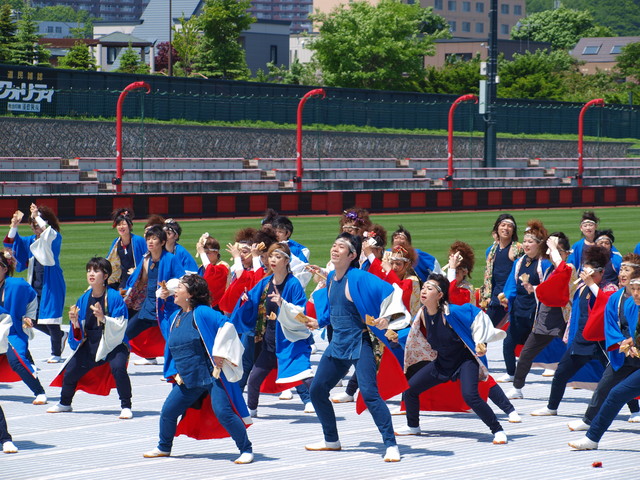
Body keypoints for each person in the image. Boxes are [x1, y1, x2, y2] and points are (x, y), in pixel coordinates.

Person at [304, 233, 410, 462]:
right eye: (334, 245)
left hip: (359, 343)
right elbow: (335, 310)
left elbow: (393, 292)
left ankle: (391, 444)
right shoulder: (332, 278)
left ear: (352, 255)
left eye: (341, 247)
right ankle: (331, 440)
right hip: (336, 345)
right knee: (317, 390)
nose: (335, 249)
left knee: (371, 394)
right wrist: (318, 322)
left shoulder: (360, 278)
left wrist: (386, 318)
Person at [143, 274, 254, 464]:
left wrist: (220, 352)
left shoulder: (202, 312)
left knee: (223, 413)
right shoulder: (176, 316)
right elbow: (164, 325)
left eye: (180, 287)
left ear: (191, 293)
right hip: (188, 379)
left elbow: (226, 325)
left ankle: (246, 449)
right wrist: (161, 301)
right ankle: (164, 447)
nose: (175, 290)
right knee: (168, 411)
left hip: (213, 377)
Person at [396, 274, 510, 444]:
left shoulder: (451, 312)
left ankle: (498, 430)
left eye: (430, 288)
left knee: (470, 396)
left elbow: (477, 315)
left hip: (464, 362)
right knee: (410, 389)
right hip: (442, 363)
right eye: (424, 287)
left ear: (440, 295)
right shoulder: (422, 313)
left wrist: (480, 341)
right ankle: (413, 426)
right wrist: (394, 335)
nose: (424, 291)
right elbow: (411, 331)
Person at [531, 246, 617, 416]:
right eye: (588, 274)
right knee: (561, 373)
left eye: (594, 274)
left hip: (602, 341)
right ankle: (551, 407)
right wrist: (554, 250)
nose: (590, 278)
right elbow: (563, 274)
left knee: (616, 375)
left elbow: (606, 304)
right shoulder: (581, 288)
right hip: (581, 339)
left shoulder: (609, 288)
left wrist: (592, 284)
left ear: (601, 273)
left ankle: (635, 411)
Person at [232, 242, 314, 416]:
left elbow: (301, 312)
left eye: (278, 257)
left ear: (286, 260)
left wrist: (283, 304)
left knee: (301, 375)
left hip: (288, 340)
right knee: (254, 379)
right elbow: (251, 301)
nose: (273, 260)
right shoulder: (265, 283)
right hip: (269, 340)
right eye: (271, 256)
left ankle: (312, 401)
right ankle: (251, 409)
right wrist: (245, 299)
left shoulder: (293, 284)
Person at [47, 258, 132, 418]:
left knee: (118, 367)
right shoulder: (84, 298)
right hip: (91, 342)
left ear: (105, 275)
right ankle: (65, 403)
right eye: (89, 271)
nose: (91, 274)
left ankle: (126, 405)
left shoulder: (114, 297)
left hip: (113, 343)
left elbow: (121, 324)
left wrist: (104, 317)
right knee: (70, 371)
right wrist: (74, 323)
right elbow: (79, 332)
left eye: (96, 271)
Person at [566, 255, 640, 431]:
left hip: (636, 346)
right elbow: (610, 324)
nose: (621, 273)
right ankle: (588, 420)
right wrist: (622, 342)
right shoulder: (616, 298)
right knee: (605, 386)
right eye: (621, 269)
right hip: (623, 352)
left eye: (626, 270)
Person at [505, 233, 576, 400]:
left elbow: (562, 277)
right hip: (545, 316)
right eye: (552, 251)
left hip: (565, 318)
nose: (553, 254)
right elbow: (550, 289)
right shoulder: (549, 268)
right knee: (526, 353)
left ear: (566, 253)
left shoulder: (569, 267)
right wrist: (534, 289)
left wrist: (552, 248)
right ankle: (517, 387)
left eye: (558, 251)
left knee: (586, 355)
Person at [4, 204, 67, 363]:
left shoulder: (53, 236)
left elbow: (47, 231)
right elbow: (10, 244)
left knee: (51, 320)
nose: (35, 229)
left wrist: (36, 215)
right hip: (35, 283)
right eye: (33, 226)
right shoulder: (30, 240)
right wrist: (14, 226)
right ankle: (60, 336)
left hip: (52, 284)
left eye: (37, 225)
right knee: (32, 319)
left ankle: (56, 353)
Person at [124, 226, 185, 365]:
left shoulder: (170, 259)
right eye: (148, 239)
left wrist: (169, 291)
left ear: (162, 242)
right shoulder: (146, 259)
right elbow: (136, 281)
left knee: (172, 340)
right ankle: (120, 366)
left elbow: (182, 281)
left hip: (166, 308)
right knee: (125, 335)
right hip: (147, 307)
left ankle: (173, 372)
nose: (150, 242)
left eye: (154, 239)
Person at [499, 220, 551, 382]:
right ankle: (511, 374)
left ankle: (552, 366)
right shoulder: (519, 262)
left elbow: (550, 288)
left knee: (535, 348)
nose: (526, 245)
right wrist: (506, 298)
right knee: (508, 343)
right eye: (525, 241)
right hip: (519, 310)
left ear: (539, 244)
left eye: (530, 242)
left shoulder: (545, 264)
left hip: (536, 312)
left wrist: (535, 290)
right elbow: (512, 286)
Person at [0, 248, 48, 405]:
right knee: (21, 358)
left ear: (5, 268)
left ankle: (39, 391)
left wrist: (29, 316)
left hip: (13, 332)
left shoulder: (17, 285)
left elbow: (32, 297)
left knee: (17, 361)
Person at [479, 214, 524, 327]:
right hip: (495, 297)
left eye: (509, 226)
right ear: (497, 228)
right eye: (503, 225)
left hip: (510, 297)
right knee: (485, 330)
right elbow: (489, 275)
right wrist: (487, 296)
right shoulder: (491, 250)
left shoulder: (518, 249)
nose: (506, 228)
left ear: (513, 230)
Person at [106, 208, 147, 292]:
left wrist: (137, 271)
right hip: (123, 279)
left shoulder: (139, 240)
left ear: (130, 226)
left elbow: (148, 258)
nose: (121, 227)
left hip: (138, 277)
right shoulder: (116, 242)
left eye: (124, 224)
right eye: (118, 225)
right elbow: (109, 260)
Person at [195, 233, 229, 310]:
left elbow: (210, 272)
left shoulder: (223, 266)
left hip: (219, 306)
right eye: (204, 253)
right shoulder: (202, 267)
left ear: (216, 252)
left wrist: (202, 253)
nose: (205, 256)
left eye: (207, 253)